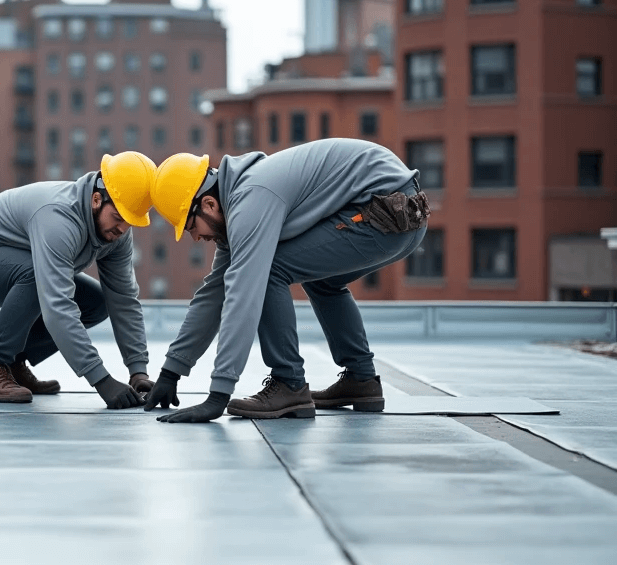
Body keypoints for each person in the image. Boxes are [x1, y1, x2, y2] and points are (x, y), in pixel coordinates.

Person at [144, 138, 430, 423]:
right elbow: (214, 292)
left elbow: (243, 295)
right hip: (399, 213)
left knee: (270, 269)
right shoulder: (239, 204)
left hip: (385, 210)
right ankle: (361, 380)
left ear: (208, 203)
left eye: (191, 226)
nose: (196, 238)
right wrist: (171, 372)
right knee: (323, 281)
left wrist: (218, 395)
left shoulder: (252, 199)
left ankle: (288, 383)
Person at [0, 151, 157, 407]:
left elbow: (124, 299)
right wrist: (102, 380)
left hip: (10, 262)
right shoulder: (58, 219)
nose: (122, 230)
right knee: (35, 275)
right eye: (118, 218)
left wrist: (138, 371)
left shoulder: (116, 234)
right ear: (97, 199)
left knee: (97, 302)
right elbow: (57, 307)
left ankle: (12, 364)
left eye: (130, 222)